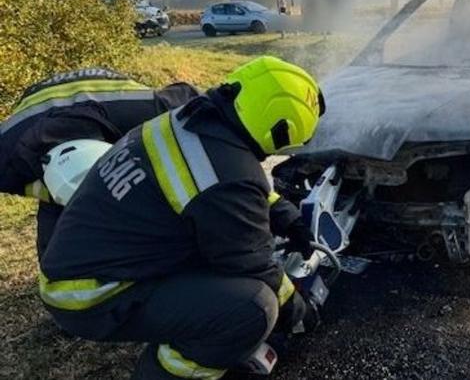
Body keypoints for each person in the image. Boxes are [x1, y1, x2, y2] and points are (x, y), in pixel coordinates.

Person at [39, 56, 325, 379]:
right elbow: (254, 263)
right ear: (281, 130)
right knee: (256, 307)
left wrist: (283, 213)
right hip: (90, 296)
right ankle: (167, 372)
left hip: (74, 267)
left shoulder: (186, 122)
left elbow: (213, 185)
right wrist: (297, 311)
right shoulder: (228, 173)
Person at [0, 69, 199, 258]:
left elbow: (193, 98)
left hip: (106, 96)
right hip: (36, 116)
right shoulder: (6, 155)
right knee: (56, 243)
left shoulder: (149, 112)